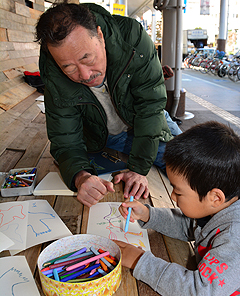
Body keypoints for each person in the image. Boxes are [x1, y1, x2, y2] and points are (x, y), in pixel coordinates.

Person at [35, 2, 181, 208]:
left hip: (148, 122)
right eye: (69, 68)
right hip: (104, 137)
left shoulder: (133, 38)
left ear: (100, 36)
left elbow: (150, 108)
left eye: (87, 58)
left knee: (191, 169)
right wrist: (80, 177)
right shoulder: (53, 73)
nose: (85, 76)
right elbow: (65, 140)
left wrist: (139, 170)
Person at [115, 121, 240, 296]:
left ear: (215, 197)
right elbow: (189, 226)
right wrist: (149, 214)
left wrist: (140, 261)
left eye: (178, 192)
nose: (172, 196)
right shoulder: (218, 207)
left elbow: (199, 294)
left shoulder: (233, 236)